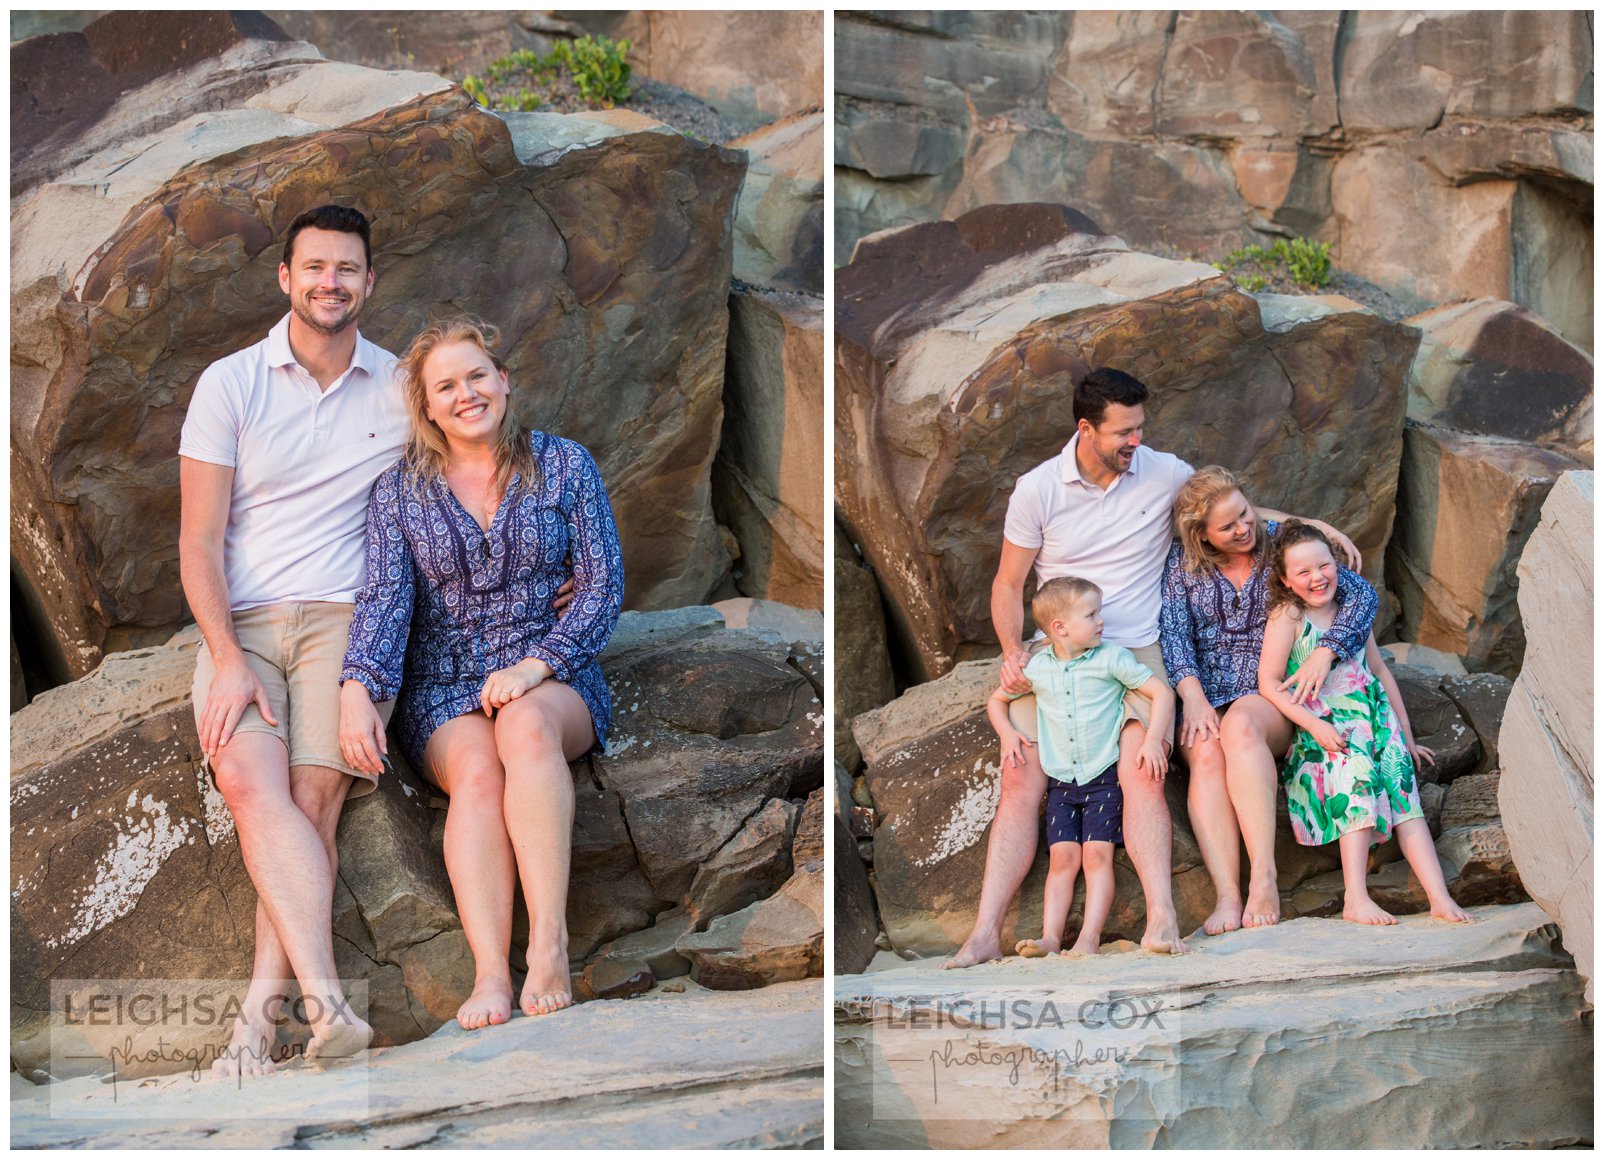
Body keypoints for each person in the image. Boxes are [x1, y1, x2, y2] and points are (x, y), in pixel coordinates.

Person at [946, 369, 1357, 967]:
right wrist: (1014, 651)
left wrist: (1307, 528)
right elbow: (1008, 584)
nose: (1137, 440)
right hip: (1059, 649)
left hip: (1139, 648)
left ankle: (1163, 918)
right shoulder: (1037, 490)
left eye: (1141, 427)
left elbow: (1223, 510)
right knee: (1020, 774)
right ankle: (984, 932)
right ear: (1085, 429)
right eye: (1124, 431)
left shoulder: (1160, 470)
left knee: (1144, 770)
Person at [338, 316, 624, 1030]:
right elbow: (384, 601)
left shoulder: (565, 466)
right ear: (427, 407)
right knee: (476, 772)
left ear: (504, 381)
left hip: (552, 672)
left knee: (524, 731)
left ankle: (550, 947)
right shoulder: (399, 494)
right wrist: (357, 688)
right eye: (446, 386)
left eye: (476, 376)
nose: (466, 394)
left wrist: (538, 665)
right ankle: (492, 971)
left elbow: (602, 585)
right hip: (443, 688)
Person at [179, 204, 406, 1075]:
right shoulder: (230, 383)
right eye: (314, 267)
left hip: (347, 622)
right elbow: (198, 541)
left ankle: (256, 1023)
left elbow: (452, 485)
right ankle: (326, 1003)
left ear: (369, 283)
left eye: (347, 269)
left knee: (317, 794)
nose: (330, 283)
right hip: (244, 624)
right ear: (285, 278)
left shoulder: (398, 386)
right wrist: (228, 659)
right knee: (244, 773)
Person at [1159, 466, 1375, 933]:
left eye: (1245, 514)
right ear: (1202, 535)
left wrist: (1325, 651)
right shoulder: (1181, 564)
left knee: (1239, 724)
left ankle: (1264, 877)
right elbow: (1175, 636)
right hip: (1205, 691)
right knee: (1205, 753)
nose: (1243, 529)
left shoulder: (1277, 541)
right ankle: (1226, 896)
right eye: (1228, 526)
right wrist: (1191, 698)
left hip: (1270, 694)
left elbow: (1361, 595)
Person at [1259, 521, 1473, 925]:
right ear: (1286, 581)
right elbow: (1268, 684)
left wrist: (1405, 738)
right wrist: (1314, 725)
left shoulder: (1351, 612)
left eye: (1323, 566)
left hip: (1375, 720)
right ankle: (1355, 898)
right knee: (1356, 781)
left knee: (1404, 794)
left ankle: (1439, 898)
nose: (1317, 577)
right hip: (1325, 725)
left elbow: (1379, 671)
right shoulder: (1288, 615)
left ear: (1335, 565)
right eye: (1302, 572)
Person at [987, 577, 1175, 958]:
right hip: (1061, 782)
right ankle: (1051, 939)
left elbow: (1161, 693)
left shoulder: (1112, 658)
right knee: (1062, 859)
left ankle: (1088, 939)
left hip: (1103, 779)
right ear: (1059, 628)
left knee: (1096, 857)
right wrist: (1007, 734)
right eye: (1092, 614)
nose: (1101, 621)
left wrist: (1153, 739)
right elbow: (996, 701)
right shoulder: (1038, 668)